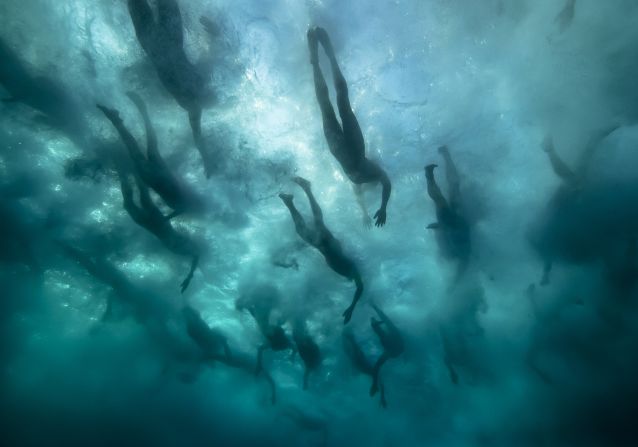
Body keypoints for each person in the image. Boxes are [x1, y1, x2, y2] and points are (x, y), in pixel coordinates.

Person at [307, 27, 391, 227]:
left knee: (335, 104)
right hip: (349, 150)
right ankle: (325, 59)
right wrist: (383, 207)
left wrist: (370, 212)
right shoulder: (372, 174)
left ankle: (319, 61)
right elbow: (385, 183)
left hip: (345, 150)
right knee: (333, 105)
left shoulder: (364, 181)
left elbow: (373, 191)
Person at [127, 0, 217, 177]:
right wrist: (214, 33)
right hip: (169, 38)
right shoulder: (200, 82)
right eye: (210, 94)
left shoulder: (192, 106)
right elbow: (211, 55)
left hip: (153, 43)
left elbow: (197, 136)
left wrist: (206, 159)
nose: (207, 95)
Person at [97, 95, 203, 219]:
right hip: (154, 176)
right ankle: (120, 118)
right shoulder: (182, 205)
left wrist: (168, 217)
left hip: (156, 175)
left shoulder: (183, 205)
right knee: (136, 147)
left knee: (144, 145)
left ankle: (131, 114)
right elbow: (178, 208)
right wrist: (167, 217)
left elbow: (180, 208)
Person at [280, 176, 364, 324]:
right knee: (318, 223)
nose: (351, 280)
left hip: (325, 249)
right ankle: (306, 188)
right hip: (331, 247)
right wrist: (352, 307)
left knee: (303, 230)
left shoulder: (348, 272)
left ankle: (290, 201)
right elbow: (360, 287)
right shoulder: (352, 269)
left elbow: (358, 286)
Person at [111, 161, 200, 293]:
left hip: (151, 225)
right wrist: (167, 218)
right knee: (143, 197)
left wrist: (189, 277)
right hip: (158, 222)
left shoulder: (187, 251)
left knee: (130, 204)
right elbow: (196, 256)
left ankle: (123, 172)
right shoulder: (188, 247)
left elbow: (195, 259)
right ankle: (133, 168)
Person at [424, 146, 471, 278]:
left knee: (445, 194)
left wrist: (440, 227)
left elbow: (462, 268)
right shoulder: (463, 255)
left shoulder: (460, 255)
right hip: (455, 220)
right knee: (450, 190)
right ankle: (442, 159)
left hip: (452, 220)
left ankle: (430, 174)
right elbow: (463, 267)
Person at [342, 331, 387, 408]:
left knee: (354, 356)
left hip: (362, 366)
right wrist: (382, 396)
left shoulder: (377, 373)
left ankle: (349, 338)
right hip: (363, 366)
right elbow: (380, 381)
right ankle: (350, 338)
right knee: (355, 355)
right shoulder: (377, 373)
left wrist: (382, 396)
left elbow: (380, 381)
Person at [369, 303, 404, 398]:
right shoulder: (389, 336)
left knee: (382, 332)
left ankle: (375, 323)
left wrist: (375, 307)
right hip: (395, 349)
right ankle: (375, 323)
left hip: (395, 349)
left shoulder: (391, 334)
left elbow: (384, 318)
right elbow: (384, 318)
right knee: (382, 332)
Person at [292, 321, 322, 390]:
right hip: (310, 357)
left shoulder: (307, 341)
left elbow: (315, 349)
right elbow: (296, 348)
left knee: (309, 371)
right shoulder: (301, 342)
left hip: (312, 357)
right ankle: (299, 323)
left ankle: (299, 323)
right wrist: (292, 356)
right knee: (309, 371)